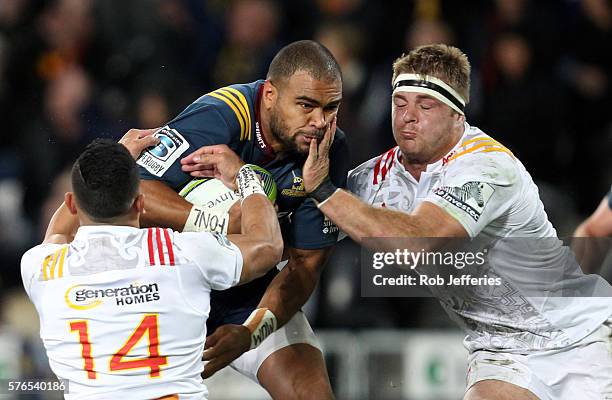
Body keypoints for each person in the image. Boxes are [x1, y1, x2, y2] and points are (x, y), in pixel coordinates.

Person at [296, 44, 612, 399]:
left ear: (457, 116)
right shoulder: (373, 178)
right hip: (498, 350)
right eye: (400, 103)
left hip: (576, 339)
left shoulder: (487, 167)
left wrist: (325, 193)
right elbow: (304, 224)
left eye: (425, 106)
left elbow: (423, 239)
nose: (407, 116)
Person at [130, 40, 348, 398]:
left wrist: (250, 332)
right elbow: (137, 192)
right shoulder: (220, 116)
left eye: (331, 108)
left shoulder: (330, 150)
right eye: (306, 106)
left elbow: (304, 266)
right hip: (164, 279)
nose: (319, 122)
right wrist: (229, 225)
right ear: (270, 95)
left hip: (244, 287)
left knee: (312, 392)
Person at [20, 139, 283, 399]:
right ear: (140, 203)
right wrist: (245, 175)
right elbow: (267, 245)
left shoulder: (40, 268)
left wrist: (119, 154)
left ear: (71, 204)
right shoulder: (182, 252)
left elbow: (58, 232)